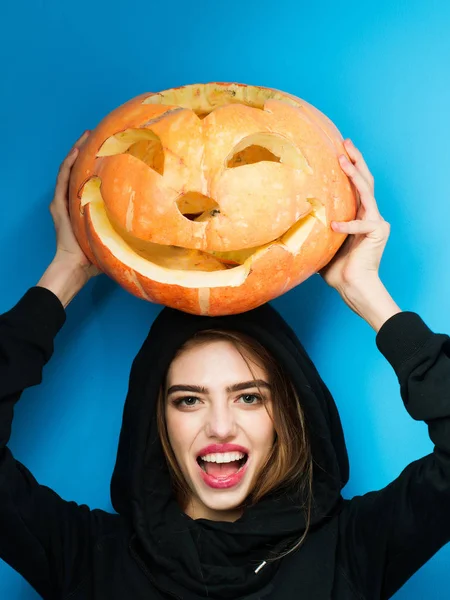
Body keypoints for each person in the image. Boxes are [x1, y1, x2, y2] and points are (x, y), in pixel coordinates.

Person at [1, 131, 449, 600]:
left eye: (249, 396)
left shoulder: (355, 547)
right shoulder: (83, 554)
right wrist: (66, 272)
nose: (220, 427)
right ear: (156, 418)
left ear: (288, 413)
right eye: (189, 399)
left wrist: (366, 292)